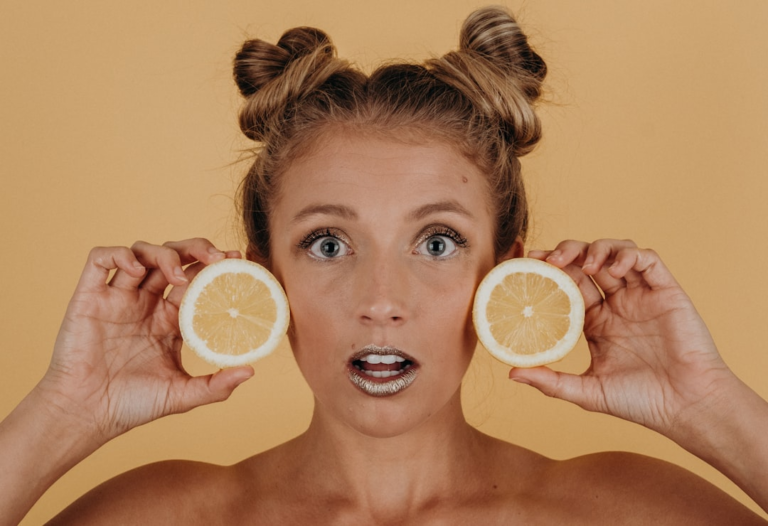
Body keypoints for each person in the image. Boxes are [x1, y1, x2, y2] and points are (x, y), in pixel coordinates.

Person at [1, 6, 767, 524]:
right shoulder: (167, 515)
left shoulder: (621, 510)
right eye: (328, 244)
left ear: (507, 273)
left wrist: (709, 407)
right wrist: (65, 414)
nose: (381, 300)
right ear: (264, 276)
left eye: (437, 243)